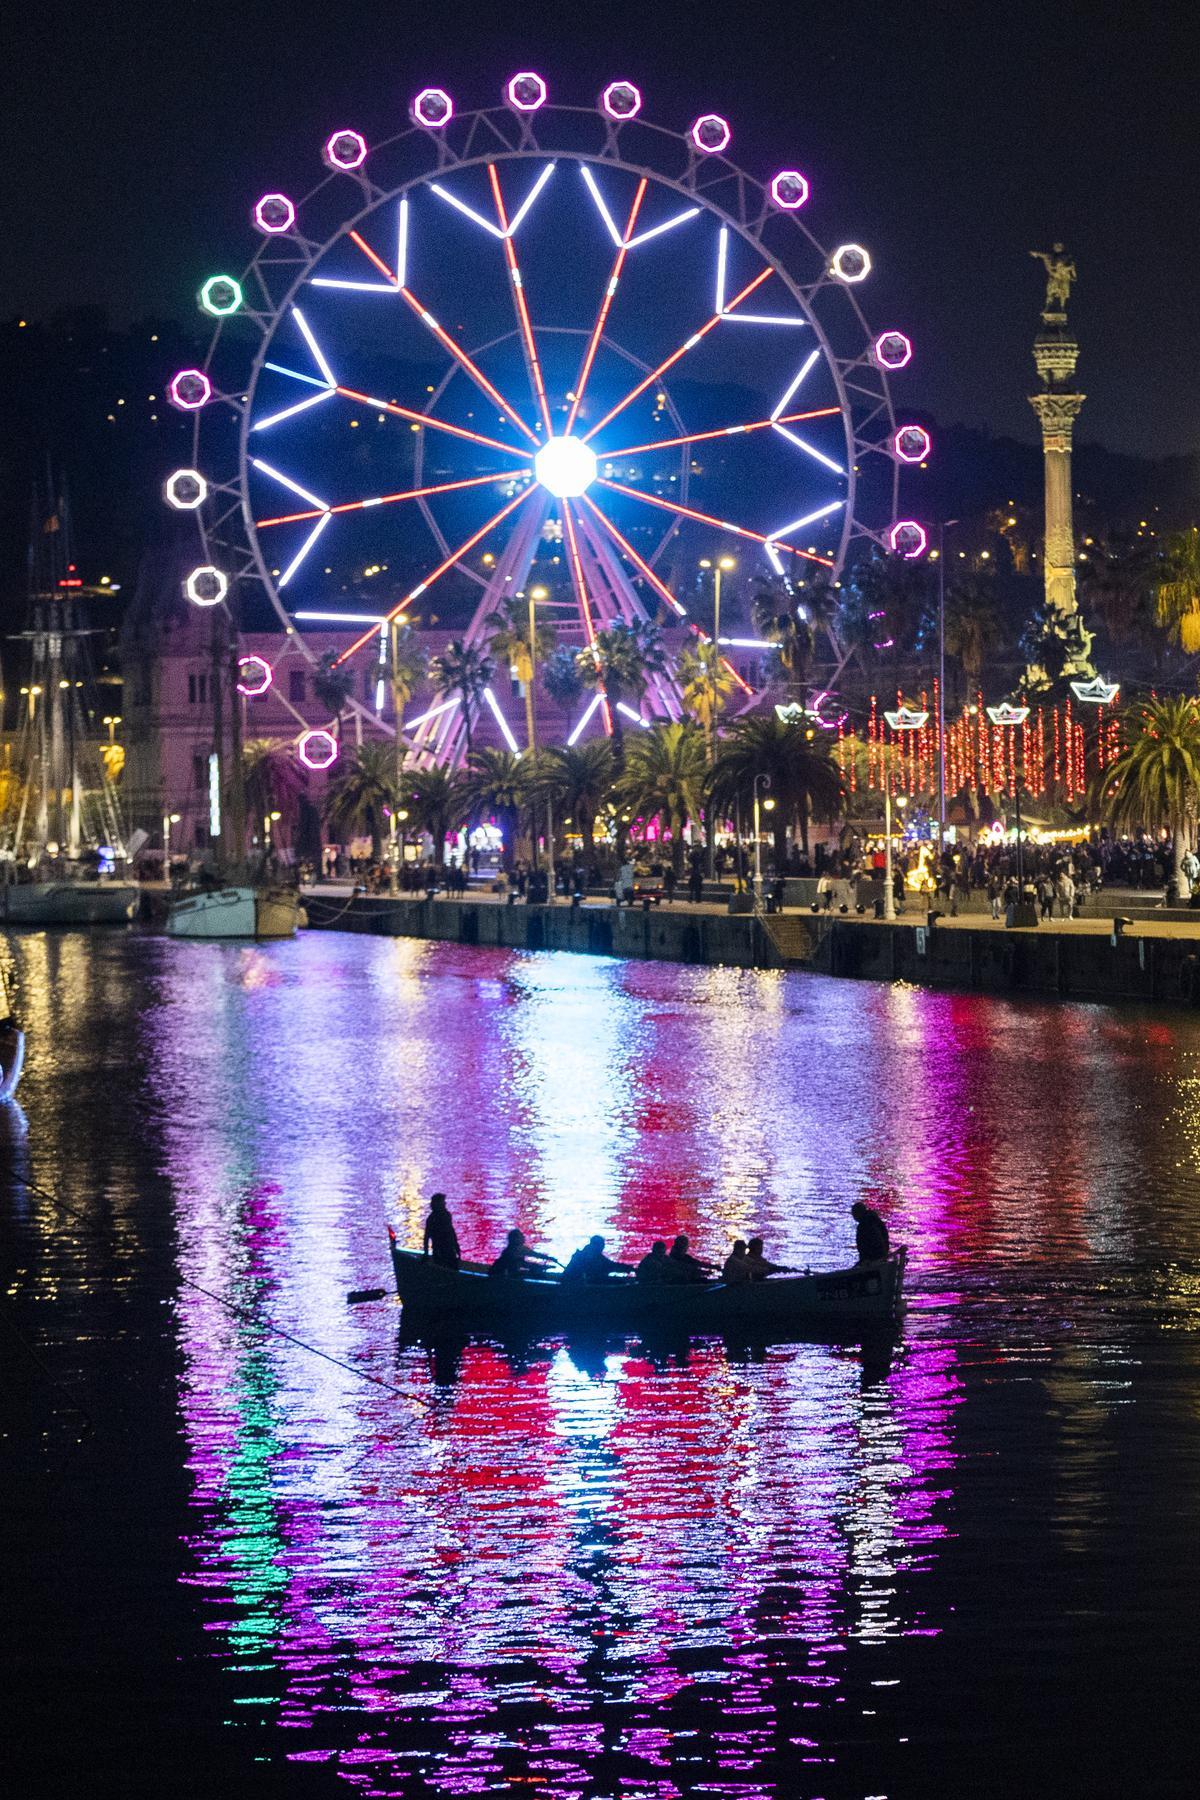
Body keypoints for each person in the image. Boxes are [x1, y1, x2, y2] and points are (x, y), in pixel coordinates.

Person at [489, 1227, 557, 1279]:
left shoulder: (520, 1249)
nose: (523, 1237)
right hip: (506, 1276)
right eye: (521, 1236)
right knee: (534, 1274)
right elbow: (522, 1264)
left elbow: (535, 1255)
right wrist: (542, 1267)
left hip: (510, 1274)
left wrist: (549, 1258)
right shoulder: (514, 1251)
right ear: (515, 1239)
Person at [561, 1234, 632, 1283]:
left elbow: (611, 1265)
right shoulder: (591, 1257)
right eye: (602, 1245)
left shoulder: (588, 1254)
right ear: (597, 1245)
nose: (603, 1247)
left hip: (578, 1281)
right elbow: (610, 1266)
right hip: (577, 1283)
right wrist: (628, 1269)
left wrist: (628, 1268)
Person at [422, 1192, 461, 1268]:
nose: (445, 1204)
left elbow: (452, 1232)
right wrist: (426, 1253)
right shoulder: (432, 1219)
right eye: (443, 1202)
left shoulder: (446, 1215)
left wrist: (457, 1247)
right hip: (439, 1251)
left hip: (449, 1250)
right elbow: (427, 1237)